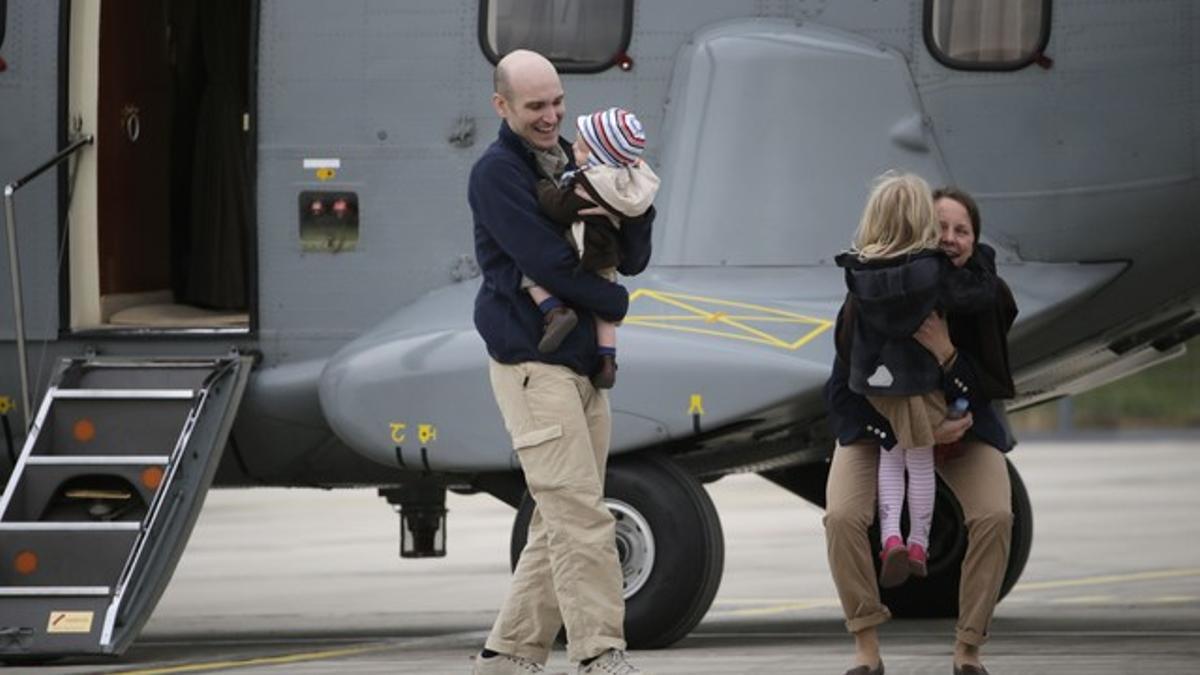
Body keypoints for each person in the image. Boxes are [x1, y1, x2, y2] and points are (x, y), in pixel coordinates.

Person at [469, 49, 654, 675]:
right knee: (581, 516)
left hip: (583, 368)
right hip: (531, 364)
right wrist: (615, 303)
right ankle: (600, 653)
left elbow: (630, 254)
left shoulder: (578, 158)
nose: (552, 117)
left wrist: (638, 204)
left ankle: (507, 655)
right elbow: (547, 263)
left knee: (559, 518)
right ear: (502, 107)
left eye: (557, 103)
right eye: (535, 107)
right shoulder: (496, 174)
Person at [824, 183, 1018, 675]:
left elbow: (991, 384)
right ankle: (866, 647)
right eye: (941, 229)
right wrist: (908, 430)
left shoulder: (985, 297)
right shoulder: (874, 290)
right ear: (918, 232)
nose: (950, 238)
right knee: (843, 517)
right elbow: (847, 383)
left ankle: (968, 648)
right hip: (878, 425)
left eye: (962, 230)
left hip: (964, 424)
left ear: (976, 240)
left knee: (995, 515)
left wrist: (946, 352)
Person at [834, 173, 1001, 590]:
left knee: (892, 453)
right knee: (920, 460)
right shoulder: (933, 275)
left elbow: (844, 363)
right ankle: (919, 544)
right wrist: (983, 258)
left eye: (961, 231)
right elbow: (975, 294)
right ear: (922, 223)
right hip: (922, 385)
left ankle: (890, 536)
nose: (947, 238)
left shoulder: (859, 273)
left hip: (876, 388)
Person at [525, 106, 661, 389]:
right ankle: (608, 360)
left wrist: (542, 189)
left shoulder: (590, 185)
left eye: (583, 147)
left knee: (528, 271)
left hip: (583, 251)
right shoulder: (626, 183)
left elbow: (560, 209)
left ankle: (554, 311)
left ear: (599, 156)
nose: (574, 147)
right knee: (605, 313)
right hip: (608, 259)